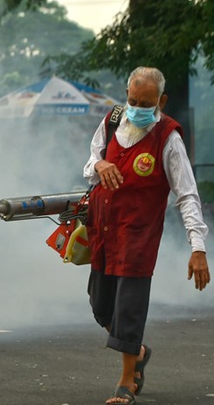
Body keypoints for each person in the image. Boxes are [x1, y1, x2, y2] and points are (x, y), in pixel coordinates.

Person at [82, 66, 210, 405]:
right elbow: (91, 160)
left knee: (129, 308)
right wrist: (100, 165)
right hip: (104, 231)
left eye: (146, 102)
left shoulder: (168, 137)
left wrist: (198, 248)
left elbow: (187, 194)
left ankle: (126, 383)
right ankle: (137, 352)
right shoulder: (112, 121)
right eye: (133, 99)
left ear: (161, 101)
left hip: (138, 237)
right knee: (100, 306)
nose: (137, 106)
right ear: (126, 95)